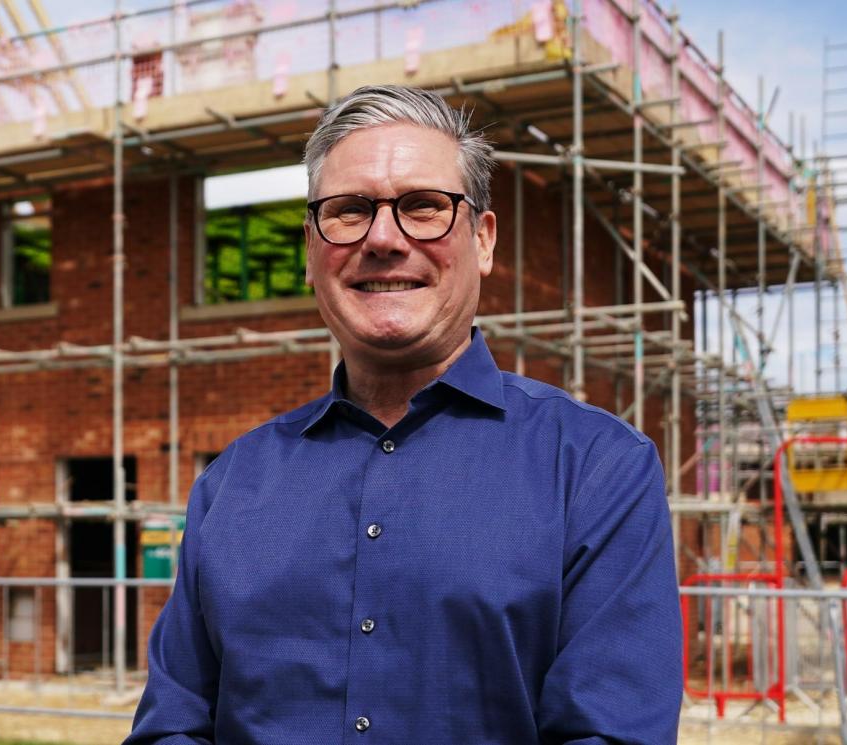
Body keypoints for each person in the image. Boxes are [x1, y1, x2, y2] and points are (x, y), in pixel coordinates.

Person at [126, 85, 682, 744]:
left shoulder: (596, 471)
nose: (383, 238)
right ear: (310, 249)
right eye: (349, 210)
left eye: (423, 207)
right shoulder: (230, 484)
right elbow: (173, 726)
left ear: (482, 239)